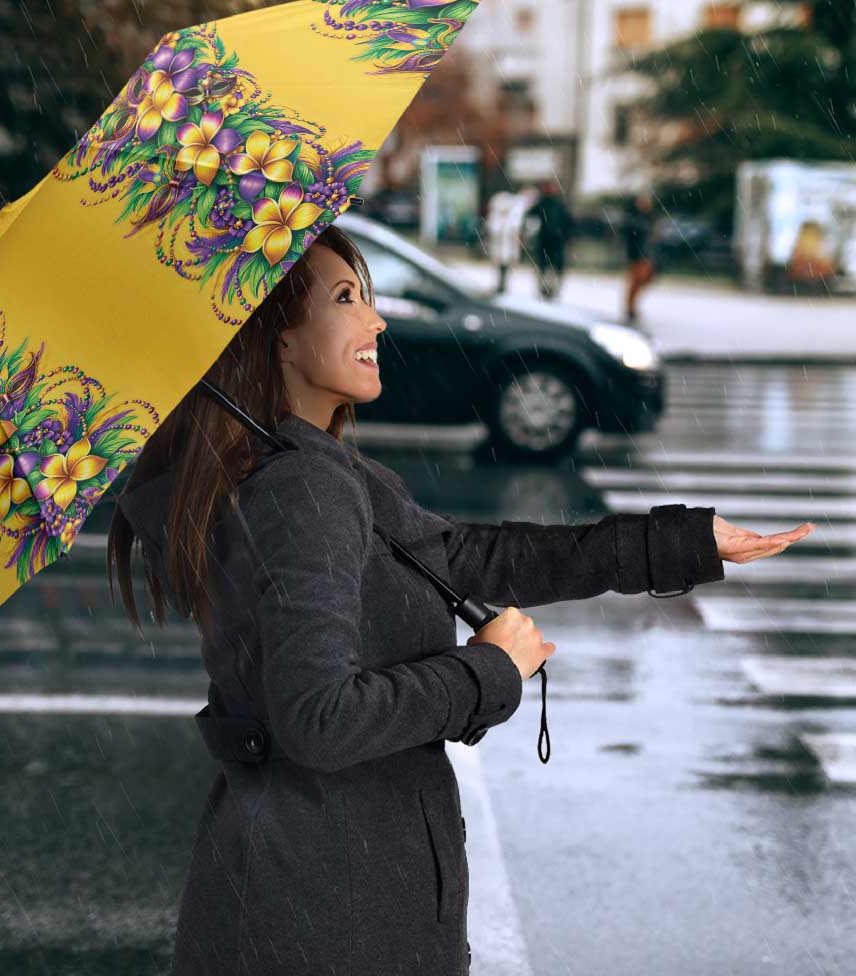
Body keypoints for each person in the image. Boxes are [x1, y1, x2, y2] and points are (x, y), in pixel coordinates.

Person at [108, 223, 805, 976]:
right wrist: (488, 671)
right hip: (331, 915)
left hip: (306, 895)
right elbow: (319, 719)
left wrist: (682, 543)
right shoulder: (301, 488)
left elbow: (471, 557)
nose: (376, 320)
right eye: (346, 298)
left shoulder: (305, 469)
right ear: (277, 337)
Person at [524, 178, 574, 301]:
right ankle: (545, 289)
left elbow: (568, 222)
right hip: (547, 240)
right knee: (545, 266)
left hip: (555, 240)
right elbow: (530, 216)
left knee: (552, 267)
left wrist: (567, 236)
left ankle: (551, 289)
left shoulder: (557, 204)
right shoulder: (544, 203)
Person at [622, 191, 658, 322]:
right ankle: (630, 307)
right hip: (637, 255)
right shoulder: (634, 219)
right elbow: (631, 238)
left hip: (646, 255)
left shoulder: (649, 218)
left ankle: (631, 306)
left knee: (644, 280)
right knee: (636, 281)